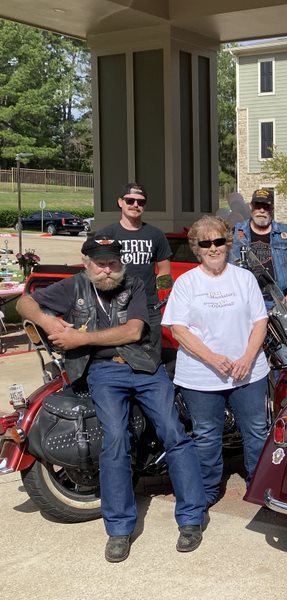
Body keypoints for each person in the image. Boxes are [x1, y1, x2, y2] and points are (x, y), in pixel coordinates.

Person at [16, 237, 206, 563]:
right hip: (104, 372)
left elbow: (133, 331)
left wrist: (78, 337)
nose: (107, 270)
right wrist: (49, 321)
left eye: (112, 263)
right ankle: (118, 529)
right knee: (114, 439)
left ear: (121, 263)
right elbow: (24, 303)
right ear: (87, 263)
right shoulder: (74, 286)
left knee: (173, 432)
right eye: (100, 263)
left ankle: (191, 518)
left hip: (146, 368)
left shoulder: (134, 283)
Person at [163, 216, 270, 510]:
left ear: (228, 243)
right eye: (205, 243)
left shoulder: (244, 278)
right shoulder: (186, 282)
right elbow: (178, 330)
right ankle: (208, 489)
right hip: (200, 375)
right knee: (206, 436)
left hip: (248, 372)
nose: (213, 248)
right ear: (197, 248)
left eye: (218, 241)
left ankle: (259, 483)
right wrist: (212, 358)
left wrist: (247, 358)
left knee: (257, 430)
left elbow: (260, 321)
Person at [94, 183, 172, 351]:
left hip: (149, 307)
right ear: (120, 202)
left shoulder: (156, 235)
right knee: (115, 356)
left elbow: (165, 268)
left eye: (140, 202)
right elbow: (95, 268)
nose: (135, 205)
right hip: (114, 305)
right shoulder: (106, 235)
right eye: (130, 201)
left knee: (151, 355)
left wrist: (160, 295)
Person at [230, 188, 287, 306]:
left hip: (277, 303)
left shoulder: (285, 233)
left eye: (266, 206)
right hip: (244, 301)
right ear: (251, 207)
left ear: (272, 209)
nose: (262, 210)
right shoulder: (236, 232)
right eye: (258, 206)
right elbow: (221, 258)